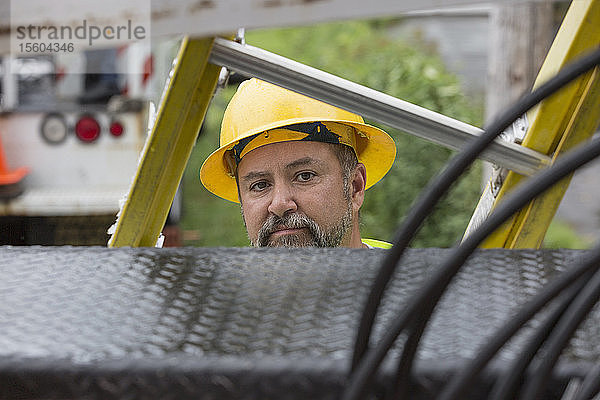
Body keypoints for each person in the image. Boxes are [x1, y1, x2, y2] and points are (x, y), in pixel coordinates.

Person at [200, 78, 396, 248]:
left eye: (305, 176)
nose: (279, 204)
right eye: (260, 185)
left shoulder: (414, 286)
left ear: (354, 187)